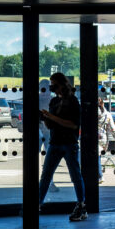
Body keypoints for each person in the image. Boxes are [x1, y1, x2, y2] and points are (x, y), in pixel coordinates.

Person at [38, 72, 88, 221]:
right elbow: (53, 124)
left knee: (75, 176)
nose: (52, 87)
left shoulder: (72, 101)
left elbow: (72, 124)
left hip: (69, 143)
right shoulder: (54, 102)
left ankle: (81, 205)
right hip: (55, 142)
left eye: (54, 84)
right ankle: (38, 204)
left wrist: (51, 117)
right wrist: (45, 118)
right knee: (46, 175)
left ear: (61, 84)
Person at [98, 97, 115, 183]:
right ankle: (99, 175)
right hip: (103, 138)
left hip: (92, 137)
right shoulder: (107, 115)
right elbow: (113, 129)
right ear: (103, 104)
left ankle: (99, 175)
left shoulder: (89, 113)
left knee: (95, 157)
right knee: (98, 155)